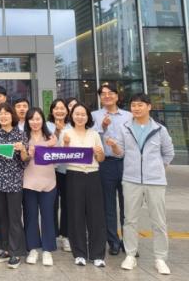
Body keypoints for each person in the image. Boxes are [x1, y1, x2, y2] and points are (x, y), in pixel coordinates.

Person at [108, 93, 175, 276]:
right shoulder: (125, 128)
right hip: (131, 180)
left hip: (155, 182)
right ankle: (130, 255)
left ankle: (160, 258)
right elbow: (120, 153)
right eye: (133, 105)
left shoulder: (160, 129)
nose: (136, 108)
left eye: (140, 105)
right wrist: (114, 146)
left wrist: (157, 169)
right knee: (129, 219)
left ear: (149, 107)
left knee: (159, 221)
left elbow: (169, 153)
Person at [64, 102, 107, 267]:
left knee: (96, 215)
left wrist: (100, 153)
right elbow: (62, 158)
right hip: (74, 175)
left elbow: (101, 159)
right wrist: (65, 145)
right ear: (72, 116)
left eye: (83, 114)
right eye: (77, 114)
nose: (80, 117)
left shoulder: (94, 134)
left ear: (88, 117)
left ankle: (97, 254)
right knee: (76, 214)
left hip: (93, 175)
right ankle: (79, 253)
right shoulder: (66, 133)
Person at [91, 83, 132, 256]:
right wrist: (103, 127)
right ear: (100, 98)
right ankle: (113, 241)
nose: (107, 96)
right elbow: (90, 136)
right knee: (108, 205)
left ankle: (129, 242)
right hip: (105, 164)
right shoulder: (94, 115)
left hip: (126, 163)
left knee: (128, 205)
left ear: (117, 96)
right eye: (103, 94)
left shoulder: (129, 116)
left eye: (110, 93)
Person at [0, 102, 29, 269]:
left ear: (12, 115)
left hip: (14, 182)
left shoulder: (20, 134)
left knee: (14, 218)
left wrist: (22, 150)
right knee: (1, 217)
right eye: (0, 114)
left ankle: (15, 252)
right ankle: (5, 249)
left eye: (6, 113)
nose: (3, 116)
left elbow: (25, 160)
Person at [23, 107, 58, 267]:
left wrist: (51, 145)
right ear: (27, 121)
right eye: (31, 119)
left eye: (38, 119)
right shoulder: (23, 137)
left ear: (43, 120)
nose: (35, 122)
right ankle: (33, 248)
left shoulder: (51, 137)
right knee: (30, 216)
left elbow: (58, 158)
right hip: (28, 182)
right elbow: (22, 158)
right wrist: (43, 146)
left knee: (48, 216)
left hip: (49, 182)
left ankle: (47, 250)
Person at [48, 99, 71, 252]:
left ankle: (65, 236)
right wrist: (57, 131)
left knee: (67, 204)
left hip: (67, 170)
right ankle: (52, 235)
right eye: (56, 108)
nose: (59, 111)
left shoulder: (72, 126)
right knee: (51, 204)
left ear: (67, 111)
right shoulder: (46, 125)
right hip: (51, 170)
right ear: (52, 111)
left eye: (62, 108)